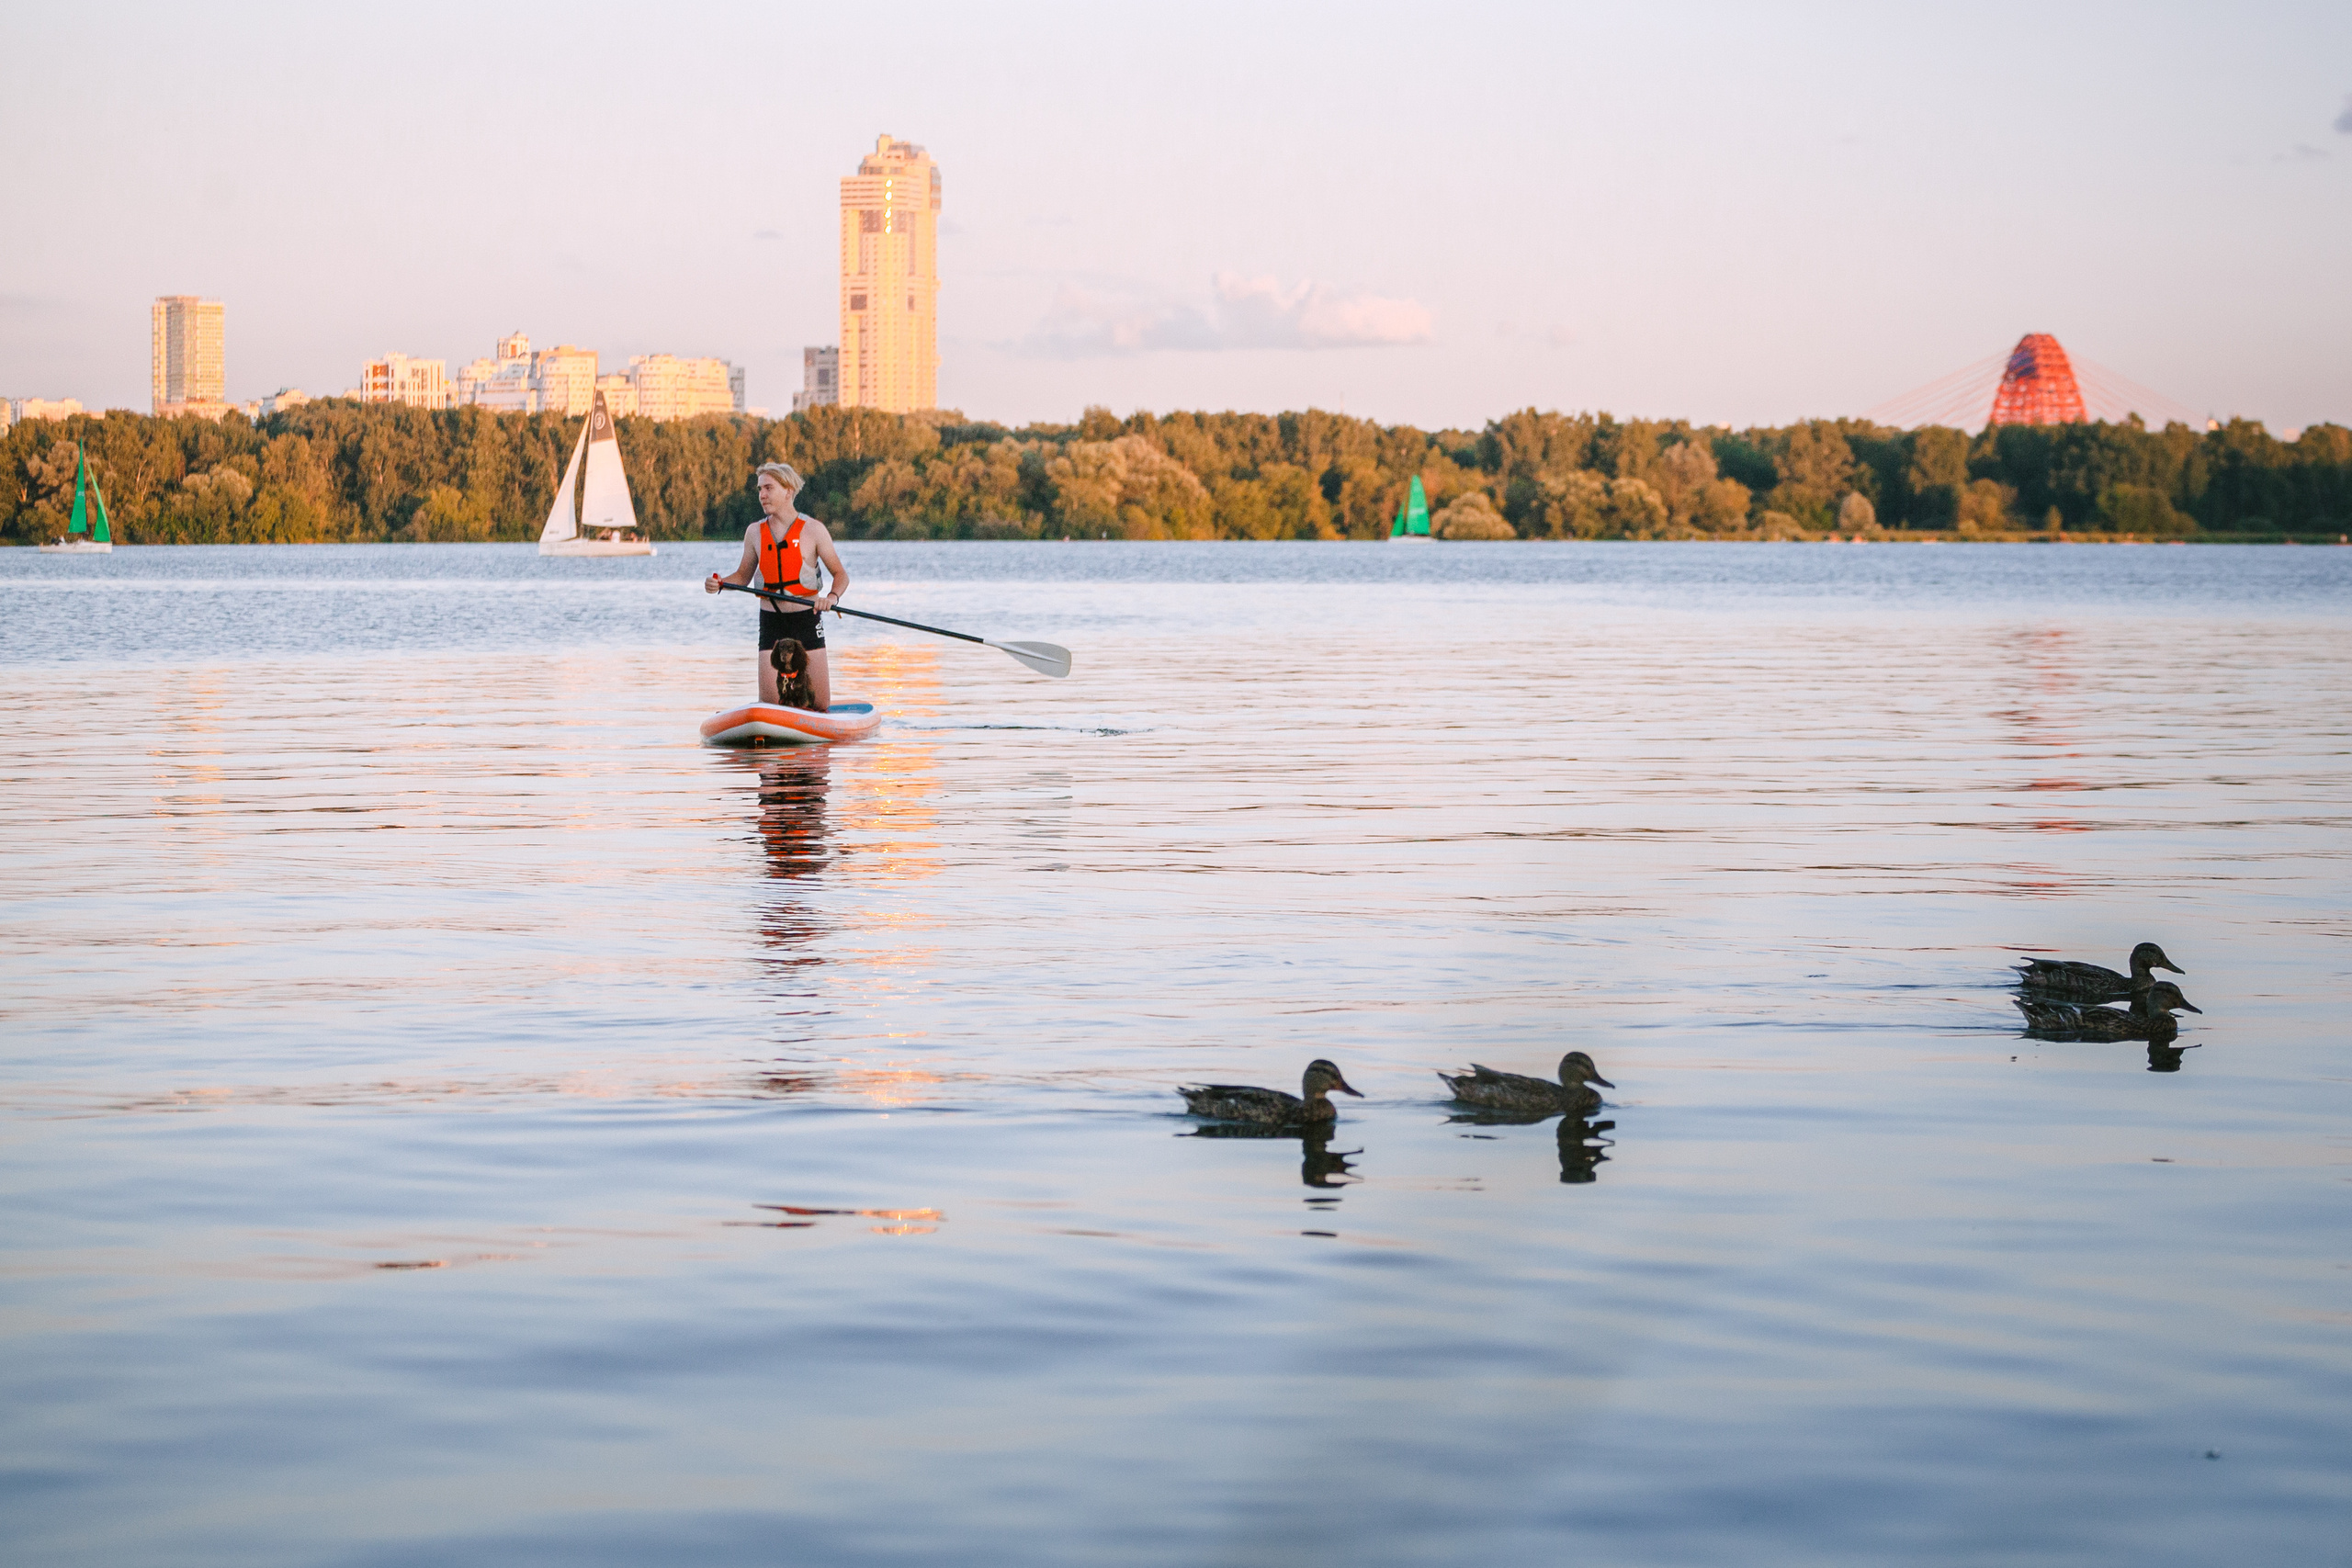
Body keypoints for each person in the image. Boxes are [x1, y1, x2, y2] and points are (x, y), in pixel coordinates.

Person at [707, 462, 850, 708]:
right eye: (760, 489)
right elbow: (742, 576)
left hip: (806, 620)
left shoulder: (814, 530)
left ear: (788, 491)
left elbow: (841, 574)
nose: (762, 495)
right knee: (771, 702)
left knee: (819, 703)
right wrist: (720, 583)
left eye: (768, 488)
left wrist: (831, 598)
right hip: (772, 622)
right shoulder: (754, 532)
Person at [768, 637, 818, 711]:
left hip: (804, 705)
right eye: (782, 649)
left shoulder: (801, 676)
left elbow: (804, 699)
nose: (784, 654)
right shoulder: (780, 677)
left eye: (789, 649)